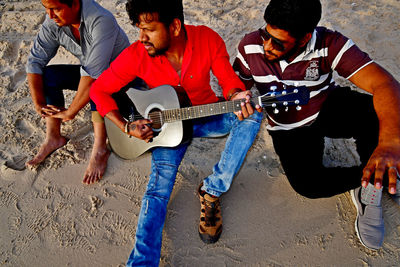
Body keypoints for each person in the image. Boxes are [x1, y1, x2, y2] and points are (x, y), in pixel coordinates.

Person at [90, 0, 263, 265]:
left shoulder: (207, 39)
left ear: (174, 26)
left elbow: (228, 80)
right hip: (167, 129)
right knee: (157, 191)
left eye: (148, 29)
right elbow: (98, 90)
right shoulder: (137, 54)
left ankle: (211, 190)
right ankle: (141, 263)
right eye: (138, 29)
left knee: (253, 112)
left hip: (206, 115)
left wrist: (236, 94)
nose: (141, 37)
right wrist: (126, 126)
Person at [233, 0, 400, 250]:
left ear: (304, 39)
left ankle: (374, 187)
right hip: (287, 126)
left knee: (379, 113)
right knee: (308, 186)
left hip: (323, 105)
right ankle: (374, 179)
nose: (266, 45)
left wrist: (389, 144)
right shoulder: (249, 45)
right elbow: (237, 84)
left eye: (278, 42)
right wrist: (236, 94)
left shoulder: (329, 43)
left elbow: (385, 85)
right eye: (265, 34)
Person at [26, 0, 130, 184]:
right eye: (47, 9)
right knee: (49, 75)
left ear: (75, 4)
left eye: (56, 9)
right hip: (95, 75)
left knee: (98, 83)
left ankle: (100, 147)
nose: (50, 16)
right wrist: (39, 104)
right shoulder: (54, 22)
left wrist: (71, 111)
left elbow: (93, 74)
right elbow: (35, 61)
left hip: (126, 87)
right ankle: (53, 137)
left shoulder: (101, 20)